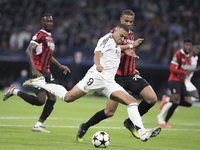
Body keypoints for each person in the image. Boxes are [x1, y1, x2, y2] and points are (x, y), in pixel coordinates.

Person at [23, 24, 161, 142]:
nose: (123, 39)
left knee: (131, 101)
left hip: (109, 82)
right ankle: (41, 83)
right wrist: (98, 65)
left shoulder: (117, 43)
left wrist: (130, 46)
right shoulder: (105, 39)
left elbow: (117, 49)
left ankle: (141, 131)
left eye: (125, 37)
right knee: (68, 97)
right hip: (96, 77)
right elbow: (97, 54)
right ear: (115, 31)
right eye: (122, 36)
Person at [76, 9, 158, 141]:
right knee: (109, 112)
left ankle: (131, 123)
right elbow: (114, 49)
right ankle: (85, 126)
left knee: (152, 98)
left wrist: (133, 67)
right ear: (120, 20)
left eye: (131, 21)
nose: (129, 23)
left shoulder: (131, 35)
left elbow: (127, 54)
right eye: (126, 21)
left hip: (130, 75)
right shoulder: (113, 34)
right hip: (116, 77)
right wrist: (128, 48)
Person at [3, 13, 70, 133]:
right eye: (47, 21)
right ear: (42, 23)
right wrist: (33, 69)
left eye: (51, 21)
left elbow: (48, 55)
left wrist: (60, 66)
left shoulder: (50, 36)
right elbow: (28, 50)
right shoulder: (39, 35)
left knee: (52, 98)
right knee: (40, 101)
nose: (49, 23)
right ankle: (14, 91)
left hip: (47, 72)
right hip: (38, 72)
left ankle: (38, 125)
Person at [157, 42, 200, 127]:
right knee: (181, 100)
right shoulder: (188, 56)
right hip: (182, 80)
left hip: (187, 80)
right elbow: (180, 67)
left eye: (199, 49)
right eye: (196, 48)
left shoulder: (195, 57)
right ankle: (163, 114)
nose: (197, 50)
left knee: (192, 98)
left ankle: (168, 100)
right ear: (192, 48)